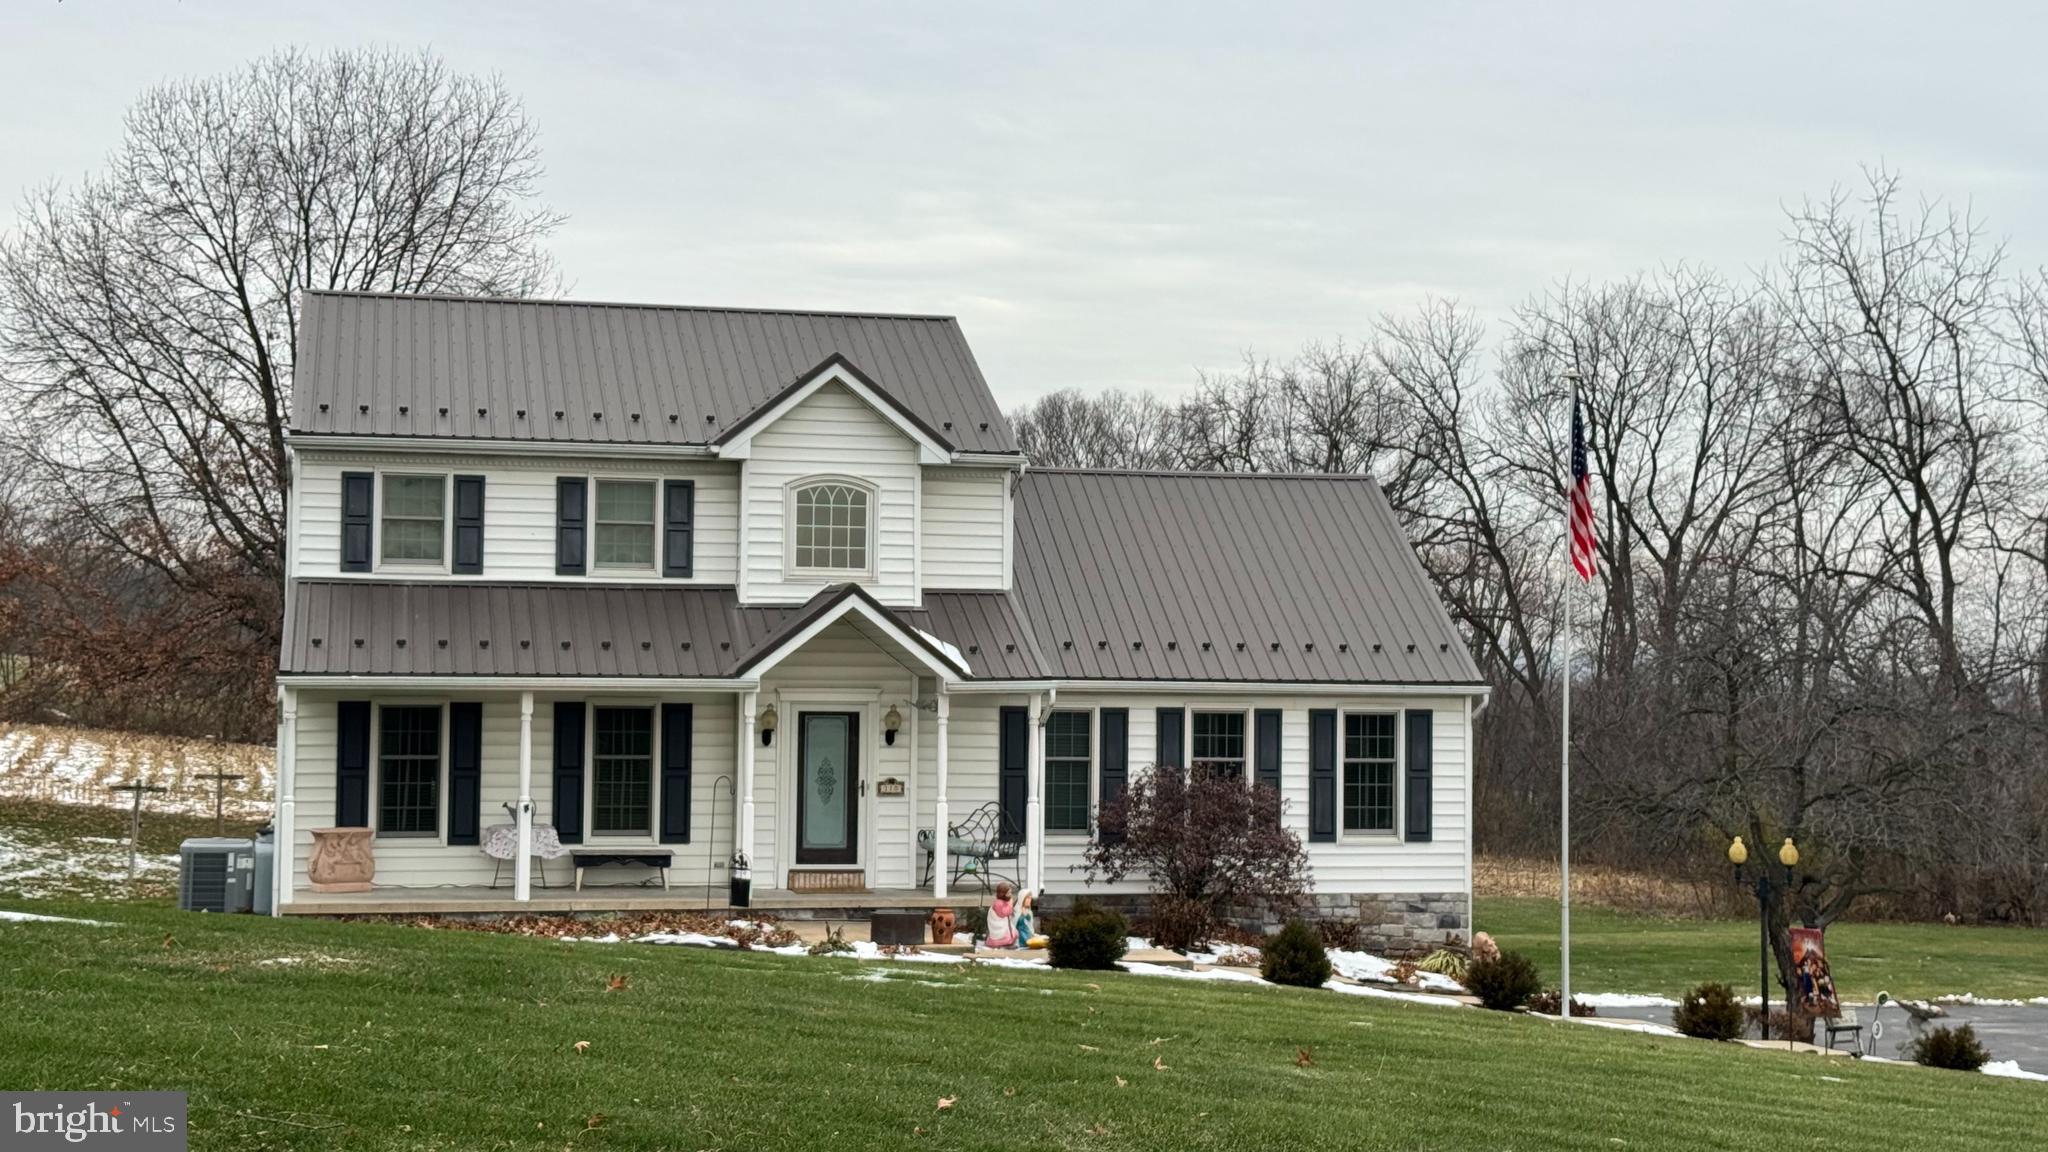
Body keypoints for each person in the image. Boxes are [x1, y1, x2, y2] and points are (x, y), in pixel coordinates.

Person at [984, 882, 1019, 948]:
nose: (1010, 895)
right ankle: (1001, 942)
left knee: (1014, 932)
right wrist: (1010, 903)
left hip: (1005, 923)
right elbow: (1004, 913)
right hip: (999, 926)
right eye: (1008, 893)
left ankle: (1009, 941)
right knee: (1007, 935)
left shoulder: (1005, 901)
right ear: (1002, 894)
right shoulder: (998, 903)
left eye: (1010, 893)